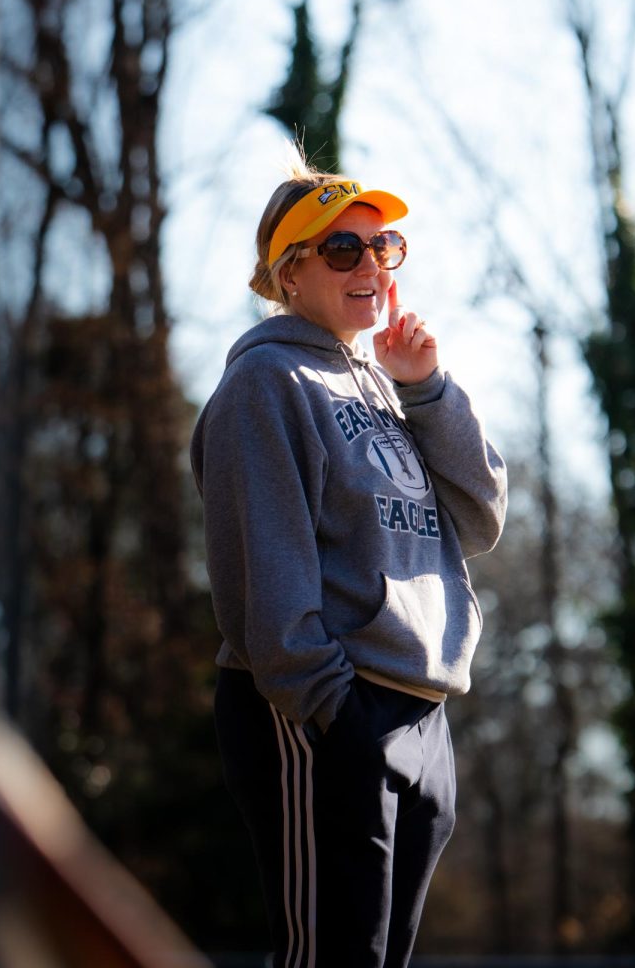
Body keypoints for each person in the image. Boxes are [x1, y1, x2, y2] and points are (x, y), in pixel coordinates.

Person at [190, 149, 507, 968]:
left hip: (421, 712)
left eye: (383, 246)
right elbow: (267, 573)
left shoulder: (380, 381)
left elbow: (479, 518)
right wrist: (336, 712)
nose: (370, 264)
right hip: (324, 711)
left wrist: (427, 388)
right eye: (343, 249)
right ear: (288, 274)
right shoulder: (267, 384)